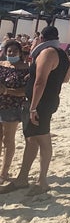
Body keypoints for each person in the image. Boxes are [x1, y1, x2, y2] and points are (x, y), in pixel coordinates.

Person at [0, 26, 70, 195]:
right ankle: (22, 179)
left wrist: (33, 107)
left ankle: (42, 182)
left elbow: (40, 82)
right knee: (31, 139)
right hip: (47, 100)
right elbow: (66, 78)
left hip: (40, 104)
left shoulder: (47, 53)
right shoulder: (63, 54)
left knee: (43, 139)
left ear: (42, 37)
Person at [0, 41, 28, 182]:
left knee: (8, 140)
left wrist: (6, 90)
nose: (11, 53)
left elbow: (25, 91)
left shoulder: (24, 68)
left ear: (20, 52)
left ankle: (4, 172)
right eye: (9, 51)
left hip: (12, 107)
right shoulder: (2, 65)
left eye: (14, 51)